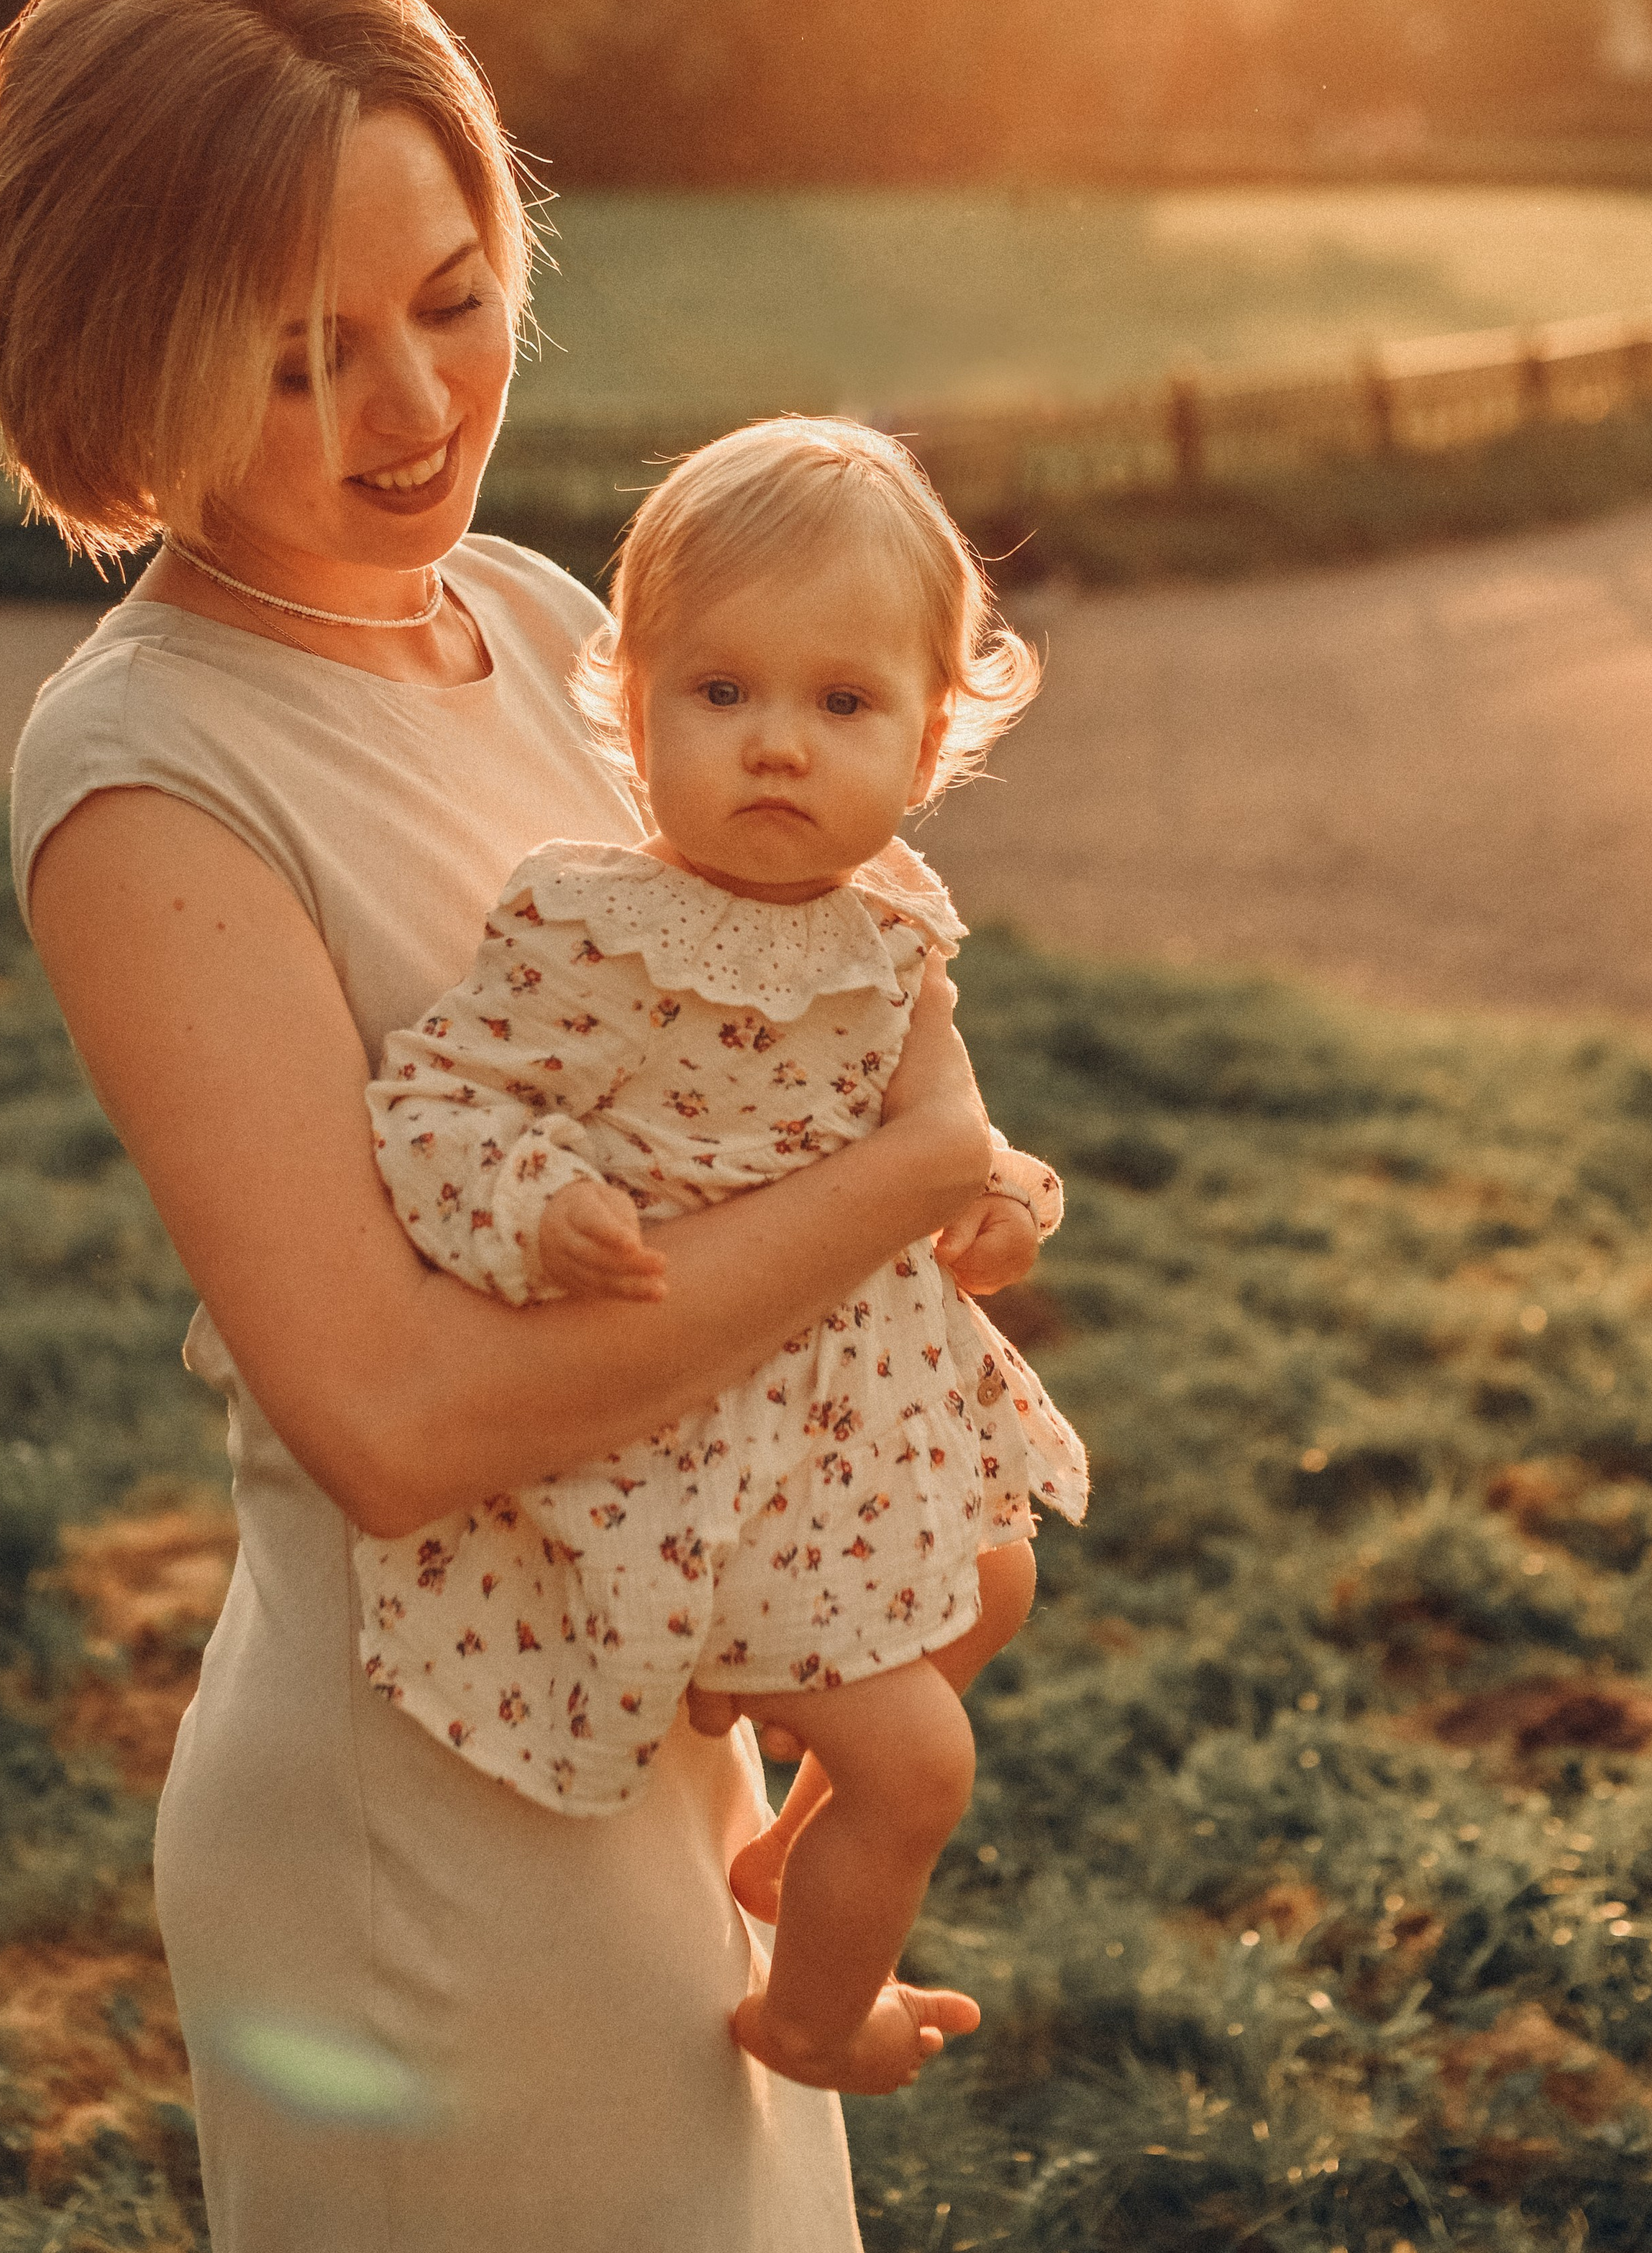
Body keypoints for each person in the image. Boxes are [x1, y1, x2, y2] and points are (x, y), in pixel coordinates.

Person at [0, 0, 1010, 2253]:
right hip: (424, 1835)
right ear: (125, 356)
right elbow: (401, 1411)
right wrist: (911, 1169)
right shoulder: (144, 767)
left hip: (678, 1704)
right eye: (305, 355)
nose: (422, 410)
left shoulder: (545, 620)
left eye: (452, 296)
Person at [355, 418, 1087, 2094]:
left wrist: (994, 1206)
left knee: (994, 1579)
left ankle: (778, 1858)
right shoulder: (596, 927)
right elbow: (439, 1103)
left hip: (859, 1409)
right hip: (696, 1428)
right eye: (722, 694)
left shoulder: (892, 929)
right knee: (919, 1765)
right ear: (631, 713)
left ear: (920, 751)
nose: (775, 748)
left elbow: (941, 1134)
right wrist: (537, 1196)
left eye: (839, 706)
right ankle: (813, 2016)